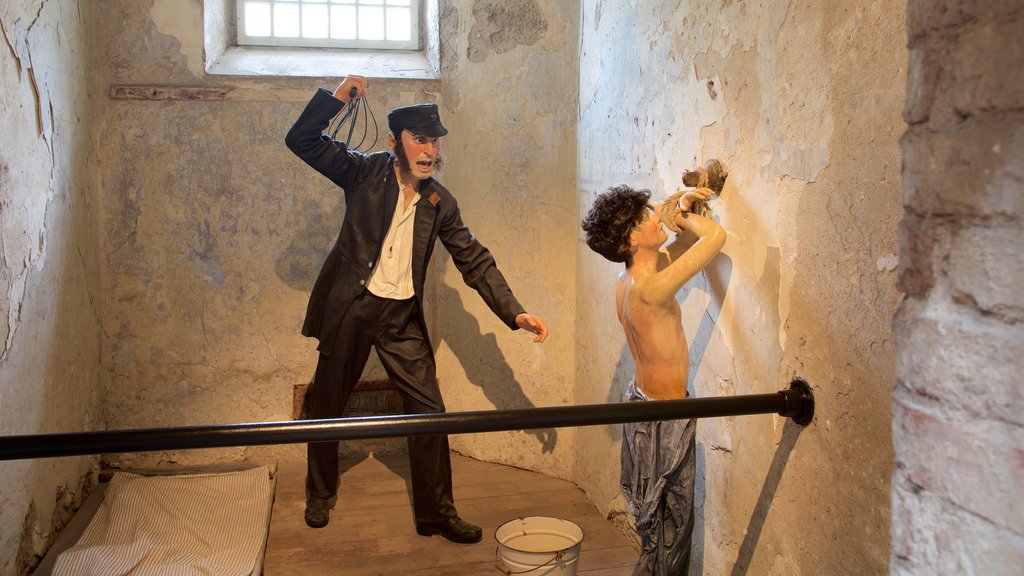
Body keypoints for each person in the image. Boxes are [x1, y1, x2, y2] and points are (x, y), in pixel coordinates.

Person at [285, 74, 548, 544]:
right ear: (395, 142)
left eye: (434, 142)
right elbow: (301, 139)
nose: (429, 151)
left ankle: (435, 514)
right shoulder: (364, 172)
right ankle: (320, 493)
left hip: (400, 317)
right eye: (419, 140)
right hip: (353, 305)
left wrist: (514, 312)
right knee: (327, 403)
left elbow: (474, 259)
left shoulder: (439, 202)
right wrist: (340, 95)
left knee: (430, 412)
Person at [581, 181, 725, 575]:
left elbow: (674, 250)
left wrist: (673, 208)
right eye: (644, 215)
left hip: (643, 403)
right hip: (666, 415)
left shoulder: (630, 282)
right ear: (630, 238)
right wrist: (682, 216)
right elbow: (714, 237)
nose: (654, 215)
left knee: (658, 527)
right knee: (673, 525)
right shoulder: (652, 286)